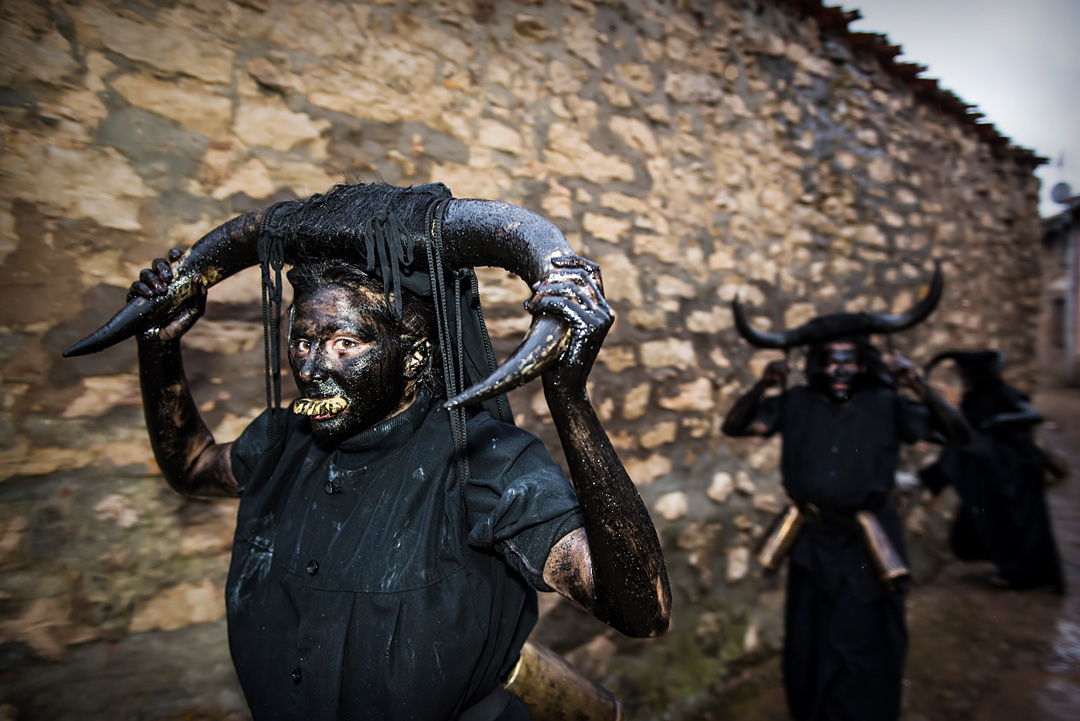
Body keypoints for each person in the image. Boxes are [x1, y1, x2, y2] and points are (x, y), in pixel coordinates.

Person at [76, 183, 670, 720]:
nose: (312, 368)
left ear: (413, 355)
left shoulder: (481, 462)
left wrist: (567, 395)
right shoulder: (284, 438)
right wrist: (157, 346)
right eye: (302, 342)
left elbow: (641, 610)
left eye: (345, 342)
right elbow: (192, 468)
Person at [721, 272, 972, 721]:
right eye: (830, 362)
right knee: (811, 637)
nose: (840, 371)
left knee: (864, 640)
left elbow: (958, 434)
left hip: (868, 545)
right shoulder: (795, 403)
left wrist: (918, 386)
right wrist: (763, 385)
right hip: (812, 546)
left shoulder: (887, 405)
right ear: (815, 366)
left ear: (865, 365)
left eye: (850, 362)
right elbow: (735, 426)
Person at [920, 350, 1065, 593]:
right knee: (996, 517)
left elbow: (1032, 414)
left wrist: (999, 422)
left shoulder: (1002, 392)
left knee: (1022, 526)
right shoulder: (972, 399)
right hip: (994, 470)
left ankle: (1024, 575)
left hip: (1016, 471)